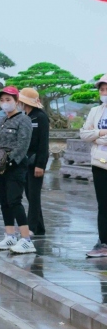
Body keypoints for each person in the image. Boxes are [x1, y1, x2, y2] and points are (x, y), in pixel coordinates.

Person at [0, 87, 36, 255]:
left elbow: (23, 144)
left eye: (8, 100)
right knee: (4, 202)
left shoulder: (24, 120)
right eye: (2, 100)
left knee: (14, 201)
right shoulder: (1, 120)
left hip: (15, 166)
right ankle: (10, 235)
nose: (5, 103)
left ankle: (26, 240)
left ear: (17, 101)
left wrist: (9, 162)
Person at [77, 75, 107, 258]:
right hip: (99, 163)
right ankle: (103, 241)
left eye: (106, 89)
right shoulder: (96, 111)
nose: (104, 92)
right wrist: (102, 132)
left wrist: (96, 137)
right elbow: (84, 134)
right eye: (102, 89)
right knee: (103, 205)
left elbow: (91, 136)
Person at [19, 88, 49, 236]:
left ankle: (31, 227)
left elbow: (44, 143)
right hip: (26, 161)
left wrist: (40, 165)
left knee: (34, 195)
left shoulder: (41, 117)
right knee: (30, 195)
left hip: (36, 162)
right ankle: (40, 228)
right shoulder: (26, 116)